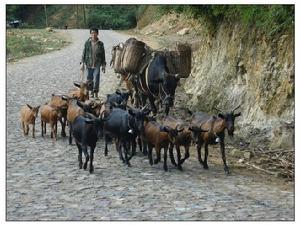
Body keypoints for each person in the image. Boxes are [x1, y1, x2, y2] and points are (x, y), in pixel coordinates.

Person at [80, 28, 106, 98]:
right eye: (92, 33)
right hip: (88, 63)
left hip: (97, 64)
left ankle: (96, 92)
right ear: (90, 34)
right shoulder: (87, 43)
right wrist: (82, 62)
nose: (93, 34)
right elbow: (84, 53)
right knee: (89, 79)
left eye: (95, 33)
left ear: (97, 34)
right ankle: (91, 92)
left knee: (96, 79)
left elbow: (103, 55)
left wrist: (103, 65)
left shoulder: (100, 44)